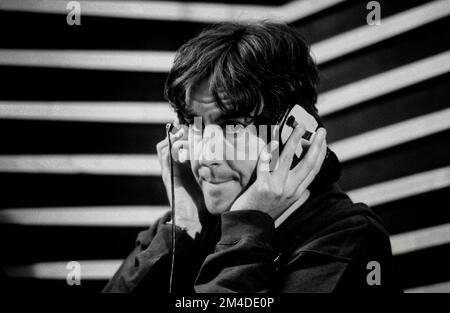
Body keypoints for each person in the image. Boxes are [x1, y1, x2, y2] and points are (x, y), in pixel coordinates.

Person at [103, 21, 397, 293]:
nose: (207, 156)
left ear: (293, 131)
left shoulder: (349, 239)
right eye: (195, 124)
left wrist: (246, 230)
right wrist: (180, 231)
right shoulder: (184, 224)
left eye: (234, 126)